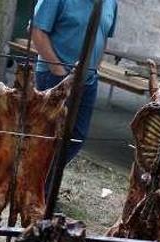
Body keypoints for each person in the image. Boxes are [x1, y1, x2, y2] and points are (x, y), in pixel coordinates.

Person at [31, 0, 117, 168]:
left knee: (77, 136)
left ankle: (45, 182)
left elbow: (103, 35)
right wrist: (58, 71)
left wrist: (95, 67)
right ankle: (36, 184)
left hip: (89, 80)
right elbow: (36, 30)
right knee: (46, 136)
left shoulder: (111, 3)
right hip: (54, 76)